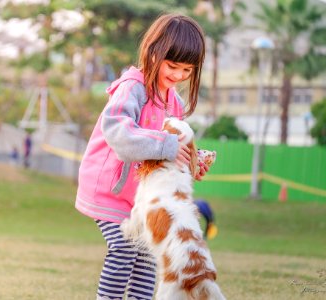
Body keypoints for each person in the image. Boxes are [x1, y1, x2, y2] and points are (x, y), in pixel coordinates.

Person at [75, 13, 208, 300]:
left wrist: (192, 160)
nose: (178, 76)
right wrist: (169, 146)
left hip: (143, 196)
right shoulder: (132, 88)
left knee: (148, 254)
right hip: (110, 190)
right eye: (172, 66)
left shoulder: (174, 101)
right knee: (123, 247)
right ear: (152, 51)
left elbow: (172, 146)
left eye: (187, 70)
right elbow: (120, 135)